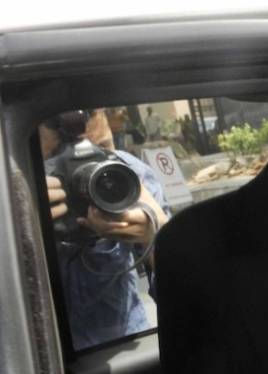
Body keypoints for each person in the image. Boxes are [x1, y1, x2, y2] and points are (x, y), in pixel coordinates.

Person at [42, 108, 171, 351]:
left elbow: (184, 294)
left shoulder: (127, 171)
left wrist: (155, 233)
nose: (90, 167)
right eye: (57, 158)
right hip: (39, 356)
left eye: (101, 149)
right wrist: (20, 222)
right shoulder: (12, 187)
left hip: (126, 344)